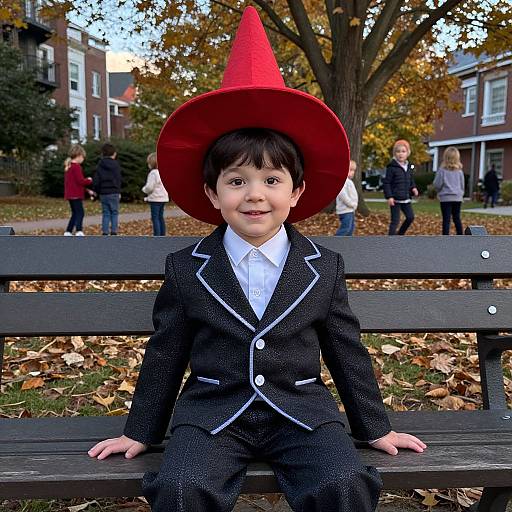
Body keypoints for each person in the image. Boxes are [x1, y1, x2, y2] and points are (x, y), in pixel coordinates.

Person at [88, 8, 426, 512]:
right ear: (212, 191)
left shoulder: (323, 265)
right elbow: (166, 351)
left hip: (304, 412)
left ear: (297, 192)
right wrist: (140, 431)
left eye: (272, 181)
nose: (255, 196)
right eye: (237, 180)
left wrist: (375, 427)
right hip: (212, 414)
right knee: (181, 487)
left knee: (344, 482)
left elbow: (344, 349)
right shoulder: (188, 266)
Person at [382, 139, 419, 235]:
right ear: (394, 154)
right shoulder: (391, 167)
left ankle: (400, 234)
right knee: (395, 221)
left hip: (406, 198)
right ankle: (391, 240)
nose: (400, 154)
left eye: (403, 151)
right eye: (398, 152)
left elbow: (410, 179)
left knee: (410, 217)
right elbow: (387, 183)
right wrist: (389, 196)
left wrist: (413, 188)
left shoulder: (409, 167)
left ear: (407, 153)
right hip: (395, 199)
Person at [433, 146, 465, 235]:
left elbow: (437, 184)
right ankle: (460, 236)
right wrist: (461, 194)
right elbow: (462, 185)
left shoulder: (442, 171)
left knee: (446, 220)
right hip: (457, 198)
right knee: (457, 218)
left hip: (445, 198)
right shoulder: (459, 171)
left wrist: (438, 191)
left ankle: (445, 239)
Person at [63, 144, 93, 236]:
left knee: (75, 213)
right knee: (80, 212)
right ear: (79, 156)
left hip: (70, 194)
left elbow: (74, 183)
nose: (83, 159)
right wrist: (89, 180)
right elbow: (80, 181)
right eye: (83, 157)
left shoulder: (69, 167)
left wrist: (87, 190)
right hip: (76, 194)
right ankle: (79, 230)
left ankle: (68, 231)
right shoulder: (77, 167)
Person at [93, 143, 122, 235]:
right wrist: (118, 190)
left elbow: (97, 180)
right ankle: (114, 231)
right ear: (114, 153)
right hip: (114, 192)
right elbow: (118, 179)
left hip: (103, 192)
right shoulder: (116, 165)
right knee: (114, 212)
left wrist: (96, 191)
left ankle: (105, 232)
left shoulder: (100, 165)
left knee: (105, 213)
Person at [142, 152, 169, 236]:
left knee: (155, 218)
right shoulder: (162, 172)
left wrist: (144, 190)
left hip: (155, 199)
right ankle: (162, 234)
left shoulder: (153, 173)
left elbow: (150, 187)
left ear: (151, 164)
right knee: (160, 217)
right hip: (163, 198)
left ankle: (157, 236)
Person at [335, 159, 358, 236]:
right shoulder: (343, 181)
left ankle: (347, 243)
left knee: (351, 228)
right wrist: (351, 204)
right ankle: (335, 241)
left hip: (350, 210)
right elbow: (343, 195)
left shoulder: (349, 181)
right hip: (345, 210)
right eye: (350, 170)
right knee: (345, 228)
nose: (352, 173)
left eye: (353, 171)